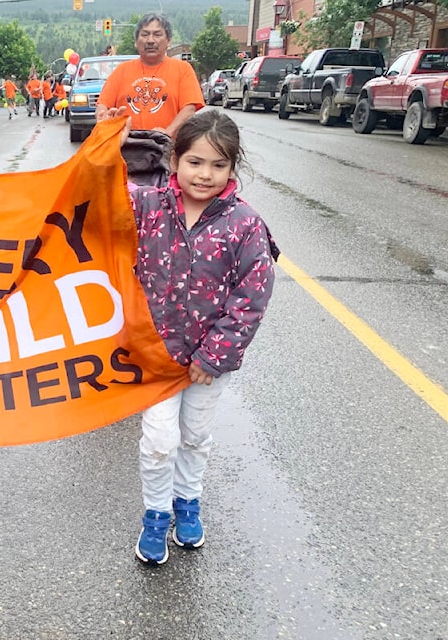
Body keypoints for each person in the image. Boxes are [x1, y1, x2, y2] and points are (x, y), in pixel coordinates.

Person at [116, 109, 278, 566]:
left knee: (194, 436)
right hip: (156, 356)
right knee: (158, 439)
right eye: (195, 162)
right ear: (174, 162)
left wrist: (213, 356)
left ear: (232, 168)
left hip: (208, 367)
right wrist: (108, 140)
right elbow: (99, 191)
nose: (205, 174)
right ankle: (155, 514)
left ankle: (187, 503)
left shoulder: (244, 224)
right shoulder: (147, 205)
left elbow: (252, 295)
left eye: (218, 165)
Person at [95, 13, 204, 138]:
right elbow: (103, 104)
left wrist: (168, 132)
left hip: (167, 149)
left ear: (168, 41)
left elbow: (189, 108)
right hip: (127, 146)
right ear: (136, 42)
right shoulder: (121, 70)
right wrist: (103, 118)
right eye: (145, 35)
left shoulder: (183, 69)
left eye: (157, 35)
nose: (151, 40)